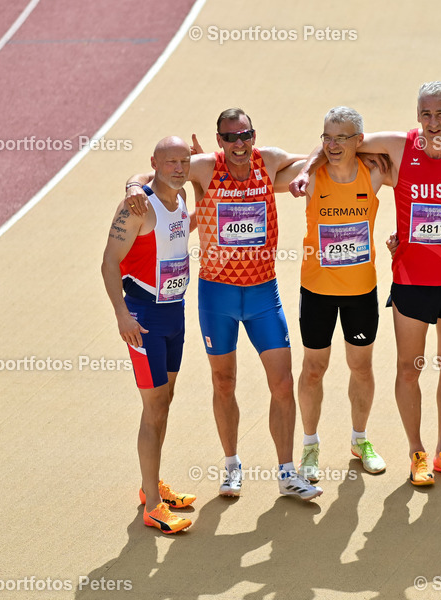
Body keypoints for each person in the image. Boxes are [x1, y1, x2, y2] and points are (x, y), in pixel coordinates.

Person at [292, 81, 441, 486]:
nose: (433, 122)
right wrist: (310, 162)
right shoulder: (399, 147)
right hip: (411, 280)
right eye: (425, 113)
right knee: (408, 369)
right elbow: (343, 143)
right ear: (417, 114)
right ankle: (416, 453)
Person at [126, 109, 322, 501]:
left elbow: (319, 154)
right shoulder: (203, 167)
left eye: (244, 135)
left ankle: (287, 473)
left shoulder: (268, 160)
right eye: (230, 137)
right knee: (223, 381)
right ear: (219, 141)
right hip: (217, 294)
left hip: (263, 292)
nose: (239, 144)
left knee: (282, 382)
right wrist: (133, 187)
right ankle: (232, 466)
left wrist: (306, 172)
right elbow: (149, 174)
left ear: (254, 134)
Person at [102, 136, 197, 533]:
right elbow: (109, 263)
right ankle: (153, 506)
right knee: (154, 405)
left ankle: (150, 485)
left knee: (165, 401)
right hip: (144, 320)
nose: (178, 167)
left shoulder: (181, 198)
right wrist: (122, 315)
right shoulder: (137, 206)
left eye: (184, 161)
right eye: (170, 161)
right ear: (155, 163)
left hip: (175, 314)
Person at [295, 106, 392, 482]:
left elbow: (410, 152)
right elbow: (289, 161)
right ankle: (309, 447)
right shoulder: (311, 177)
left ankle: (360, 440)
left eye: (342, 138)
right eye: (327, 137)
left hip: (360, 291)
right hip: (317, 290)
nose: (332, 145)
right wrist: (309, 164)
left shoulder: (375, 173)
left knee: (361, 367)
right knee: (314, 369)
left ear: (359, 141)